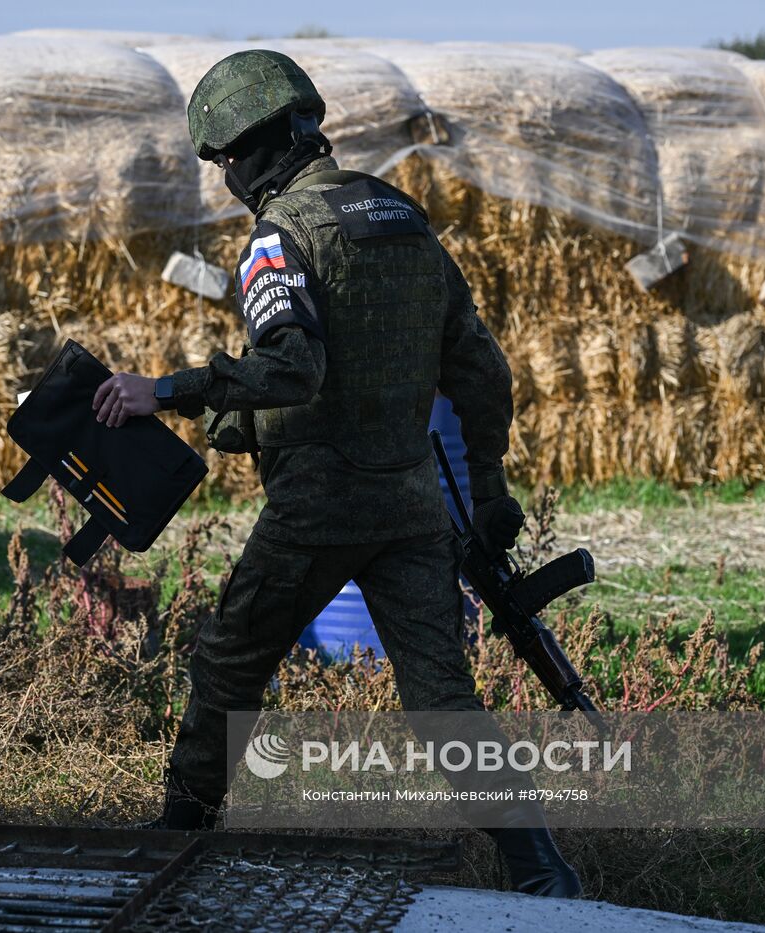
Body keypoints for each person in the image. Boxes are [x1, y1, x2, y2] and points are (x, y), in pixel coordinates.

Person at [91, 49, 581, 898]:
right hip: (413, 503)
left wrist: (162, 391)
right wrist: (492, 490)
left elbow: (292, 370)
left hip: (318, 505)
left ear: (273, 143)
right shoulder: (403, 217)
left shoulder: (281, 238)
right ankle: (543, 869)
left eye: (231, 159)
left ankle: (179, 837)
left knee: (228, 664)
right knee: (444, 701)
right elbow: (481, 371)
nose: (229, 178)